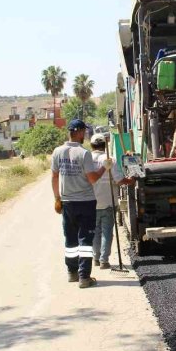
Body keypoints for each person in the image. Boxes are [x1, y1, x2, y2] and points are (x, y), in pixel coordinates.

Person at [51, 119, 112, 289]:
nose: (85, 134)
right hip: (85, 202)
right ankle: (84, 276)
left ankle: (71, 273)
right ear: (78, 132)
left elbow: (54, 177)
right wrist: (104, 168)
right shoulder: (83, 153)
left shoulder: (57, 152)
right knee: (85, 239)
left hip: (67, 202)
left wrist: (57, 198)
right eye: (84, 131)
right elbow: (92, 179)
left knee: (70, 238)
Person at [89, 133, 133, 269]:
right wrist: (131, 181)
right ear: (105, 145)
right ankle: (104, 260)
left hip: (91, 202)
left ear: (91, 145)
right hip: (108, 201)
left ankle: (96, 258)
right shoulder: (109, 159)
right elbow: (119, 180)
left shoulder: (87, 159)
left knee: (95, 231)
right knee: (107, 231)